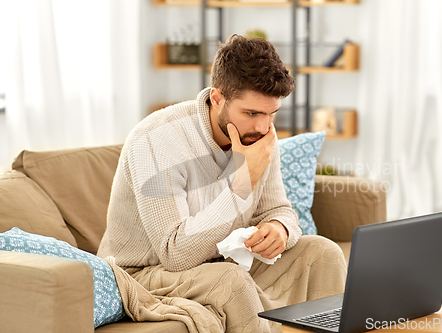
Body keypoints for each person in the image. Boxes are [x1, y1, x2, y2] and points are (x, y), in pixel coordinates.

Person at [98, 34, 347, 333]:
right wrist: (244, 180)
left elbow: (279, 210)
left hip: (223, 259)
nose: (263, 127)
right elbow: (175, 254)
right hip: (144, 272)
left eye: (271, 114)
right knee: (230, 279)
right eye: (251, 113)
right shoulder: (156, 140)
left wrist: (279, 229)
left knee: (323, 253)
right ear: (217, 98)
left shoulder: (261, 134)